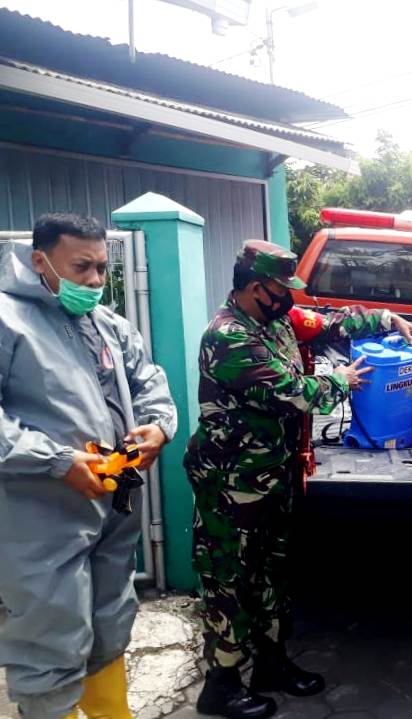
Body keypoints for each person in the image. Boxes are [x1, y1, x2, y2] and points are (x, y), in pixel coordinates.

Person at [185, 240, 412, 719]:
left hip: (273, 475)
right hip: (232, 482)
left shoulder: (276, 321)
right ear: (257, 288)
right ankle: (222, 685)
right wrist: (342, 380)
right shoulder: (229, 336)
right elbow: (289, 392)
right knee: (231, 581)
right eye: (281, 288)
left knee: (272, 574)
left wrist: (386, 319)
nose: (290, 297)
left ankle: (270, 664)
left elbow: (330, 322)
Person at [0, 214, 176, 719]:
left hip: (112, 508)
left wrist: (158, 427)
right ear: (40, 260)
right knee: (49, 635)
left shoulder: (106, 324)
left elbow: (148, 380)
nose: (96, 281)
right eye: (82, 267)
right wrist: (56, 461)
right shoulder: (9, 321)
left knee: (110, 619)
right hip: (42, 515)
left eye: (102, 267)